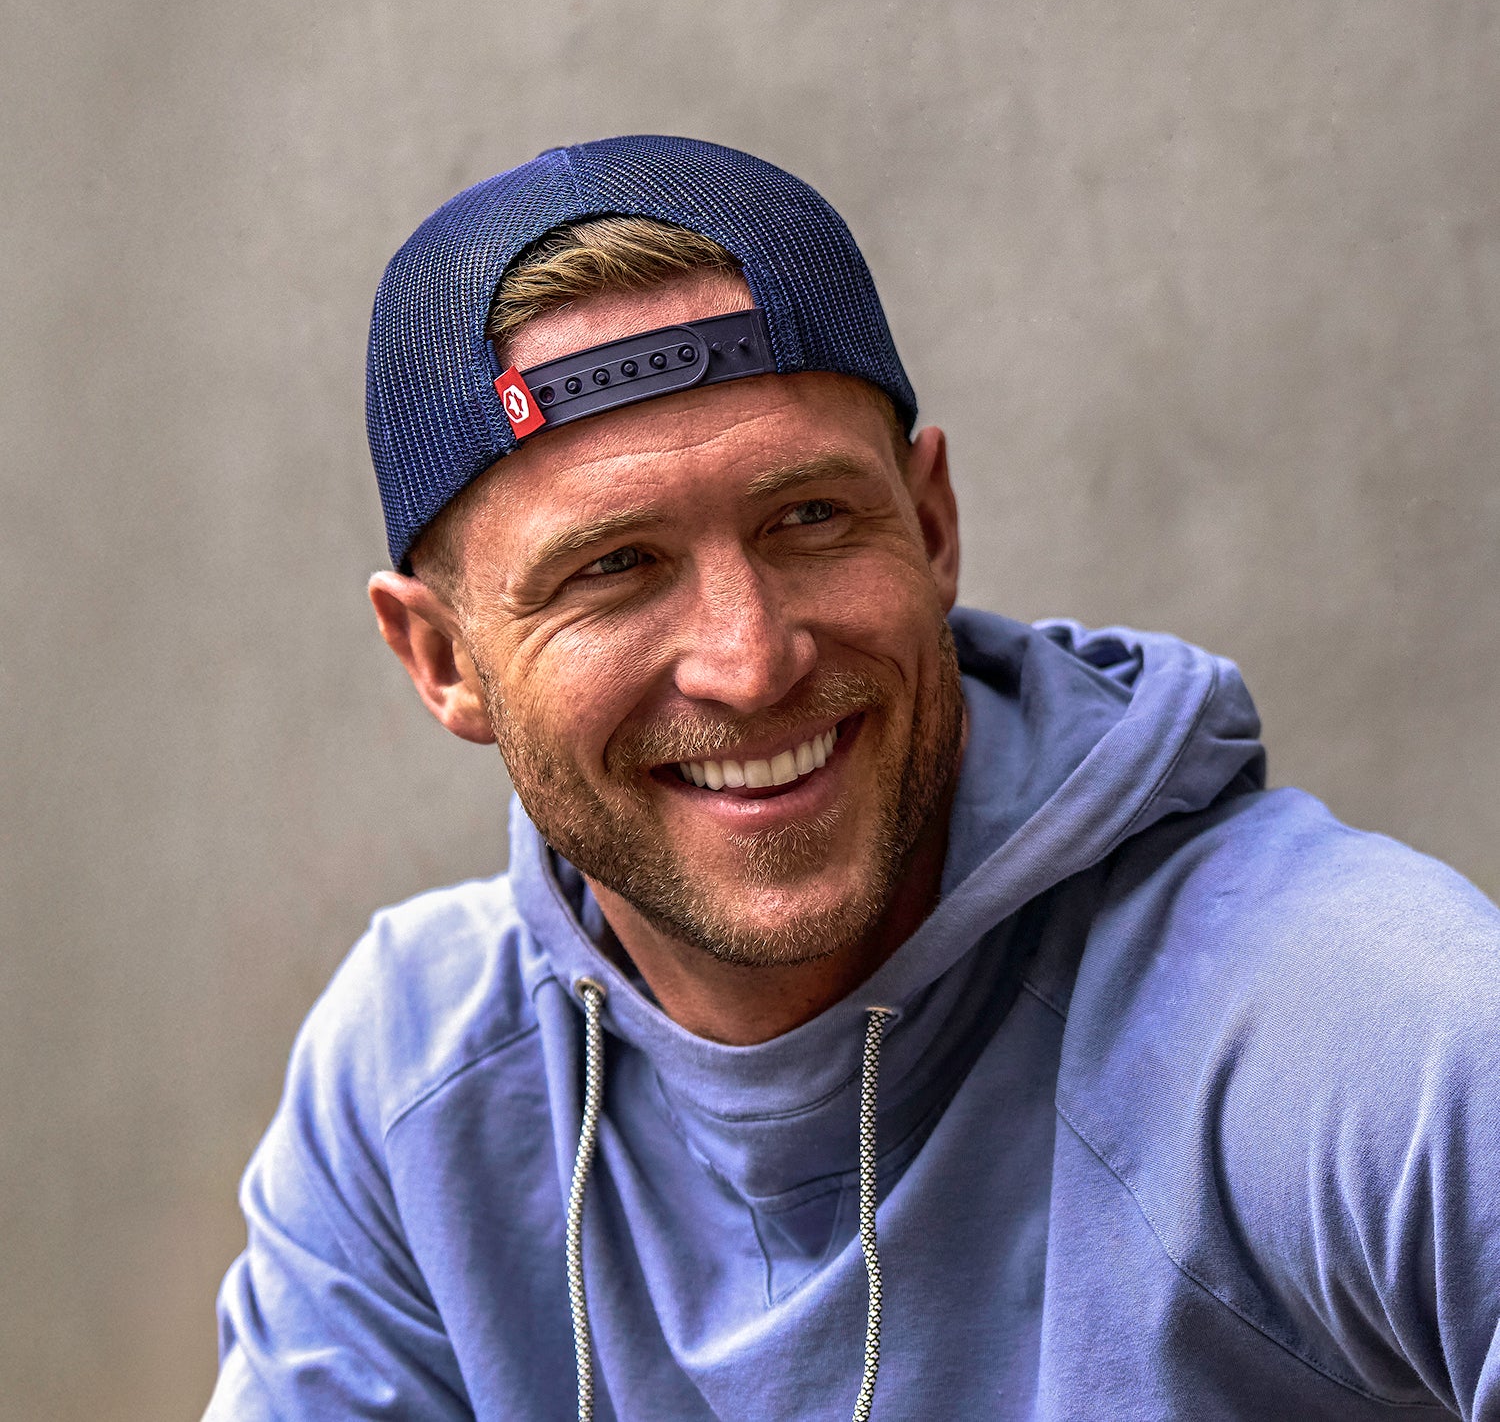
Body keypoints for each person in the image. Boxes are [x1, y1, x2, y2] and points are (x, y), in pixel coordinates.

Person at [207, 136, 1500, 1421]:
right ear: (442, 659)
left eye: (810, 518)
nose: (750, 662)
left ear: (931, 526)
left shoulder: (1343, 1016)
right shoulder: (415, 1082)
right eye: (612, 568)